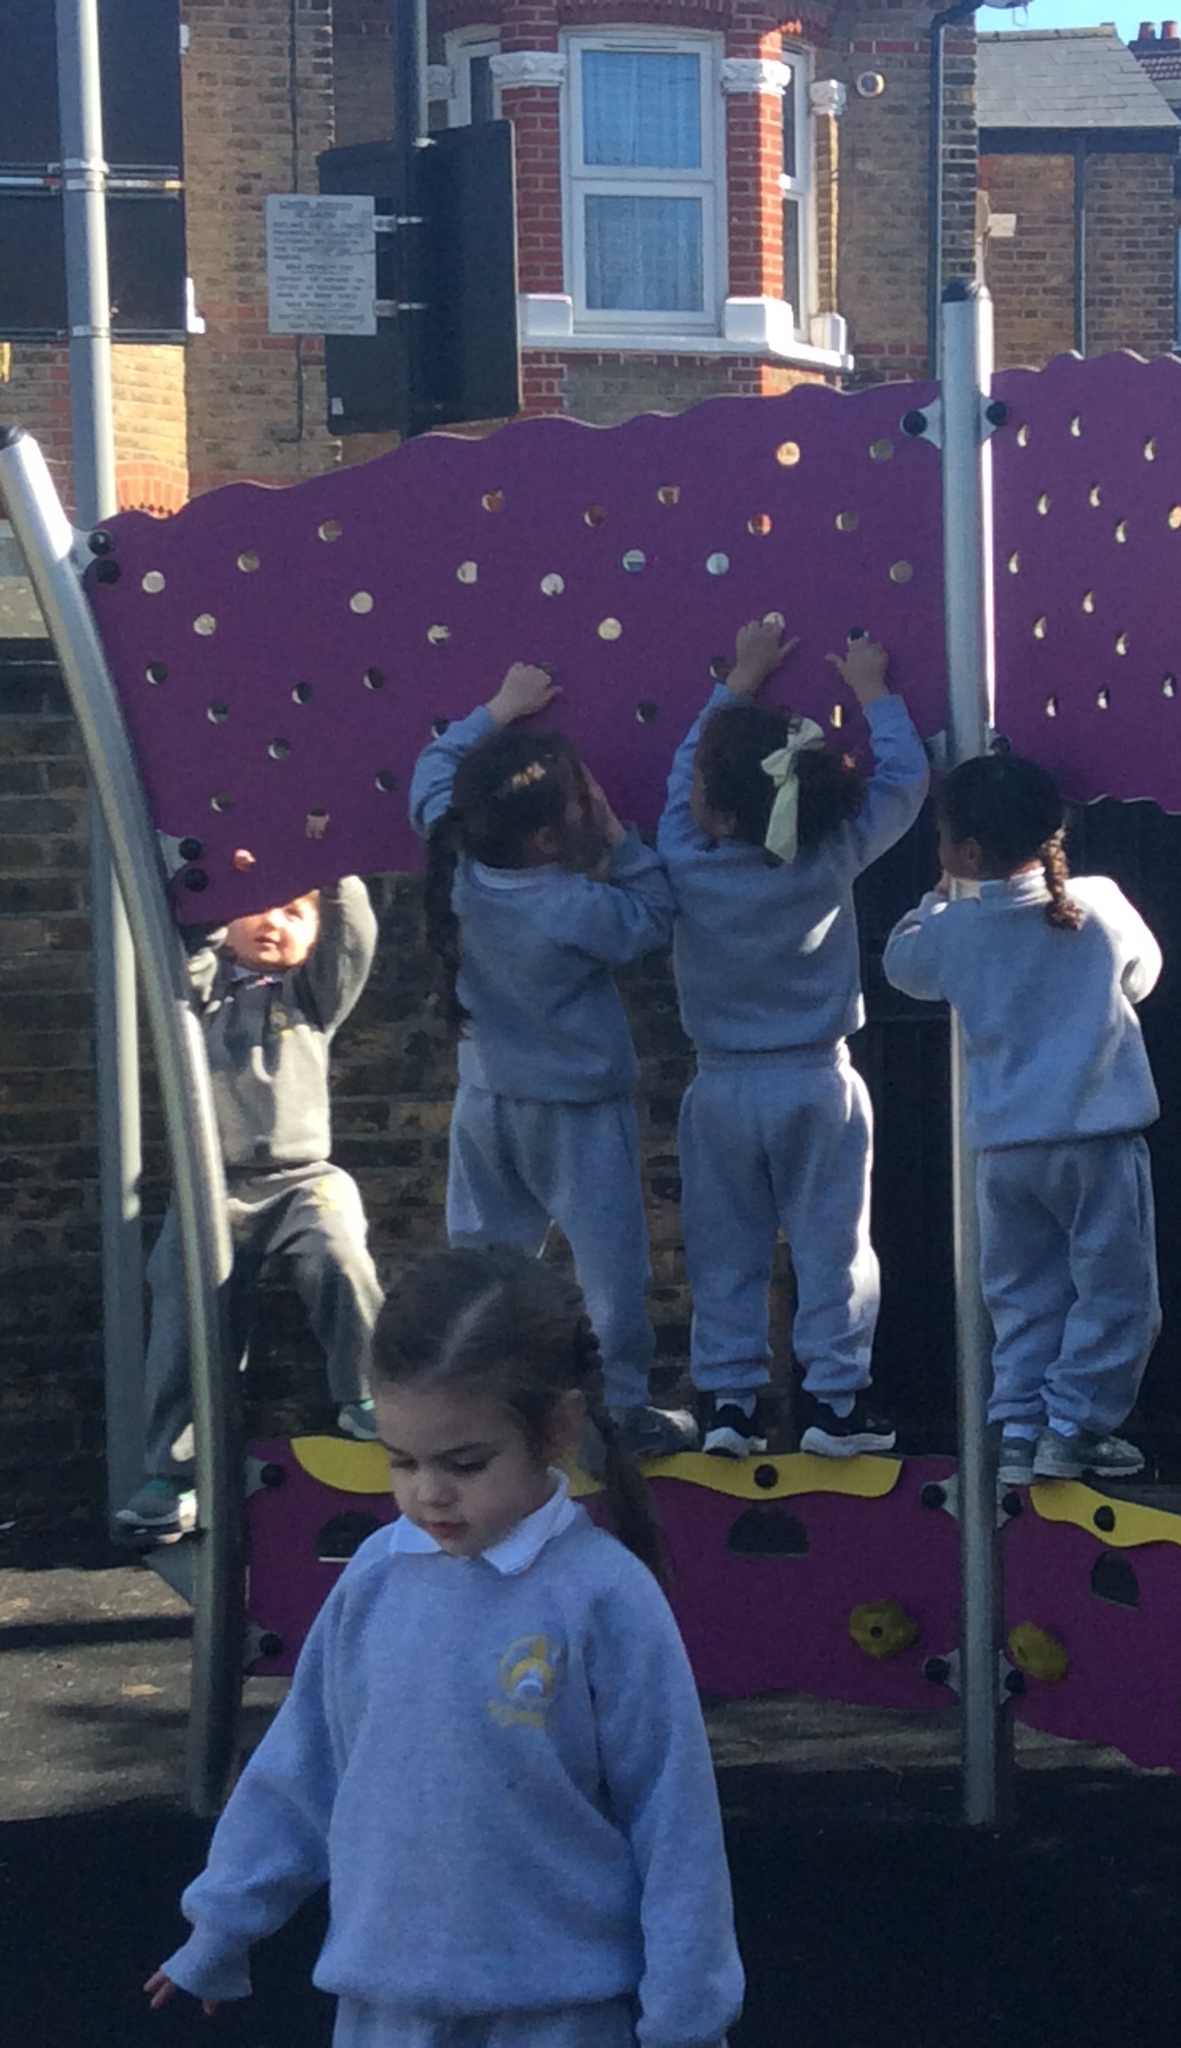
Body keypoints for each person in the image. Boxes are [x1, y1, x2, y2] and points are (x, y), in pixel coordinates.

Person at [145, 1245, 744, 2048]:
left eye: (466, 1464)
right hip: (382, 2013)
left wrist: (687, 2018)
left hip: (561, 2018)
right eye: (401, 1460)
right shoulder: (374, 1577)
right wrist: (224, 1920)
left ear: (558, 1427)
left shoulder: (606, 1597)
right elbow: (303, 1765)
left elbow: (674, 1823)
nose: (428, 1492)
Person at [658, 619, 929, 1459]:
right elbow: (906, 782)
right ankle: (832, 1406)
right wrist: (874, 691)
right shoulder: (831, 850)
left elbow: (681, 773)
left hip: (720, 1086)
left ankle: (729, 1406)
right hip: (817, 1081)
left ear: (718, 808)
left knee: (723, 1251)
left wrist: (738, 678)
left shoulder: (683, 855)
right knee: (835, 1247)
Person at [410, 662, 694, 1461]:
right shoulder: (572, 907)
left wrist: (499, 708)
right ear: (546, 838)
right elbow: (655, 915)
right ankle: (621, 1411)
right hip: (579, 1113)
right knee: (611, 1274)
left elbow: (432, 772)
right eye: (578, 800)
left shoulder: (456, 872)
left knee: (482, 1265)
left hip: (486, 1101)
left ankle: (477, 1402)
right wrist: (618, 837)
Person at [882, 751, 1162, 1486]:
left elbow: (899, 965)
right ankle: (1074, 1423)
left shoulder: (953, 928)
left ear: (969, 853)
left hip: (1005, 1150)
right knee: (1116, 1293)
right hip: (1097, 1139)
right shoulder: (1099, 903)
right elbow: (1142, 976)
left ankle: (1017, 1427)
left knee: (1020, 1297)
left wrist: (939, 897)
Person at [116, 880, 383, 1533]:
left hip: (304, 1177)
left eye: (294, 912)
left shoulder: (312, 996)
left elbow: (353, 935)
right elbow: (189, 945)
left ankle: (365, 1394)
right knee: (184, 1299)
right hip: (212, 1186)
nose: (274, 920)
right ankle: (177, 1472)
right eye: (259, 904)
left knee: (340, 1254)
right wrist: (219, 886)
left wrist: (333, 867)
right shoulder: (200, 995)